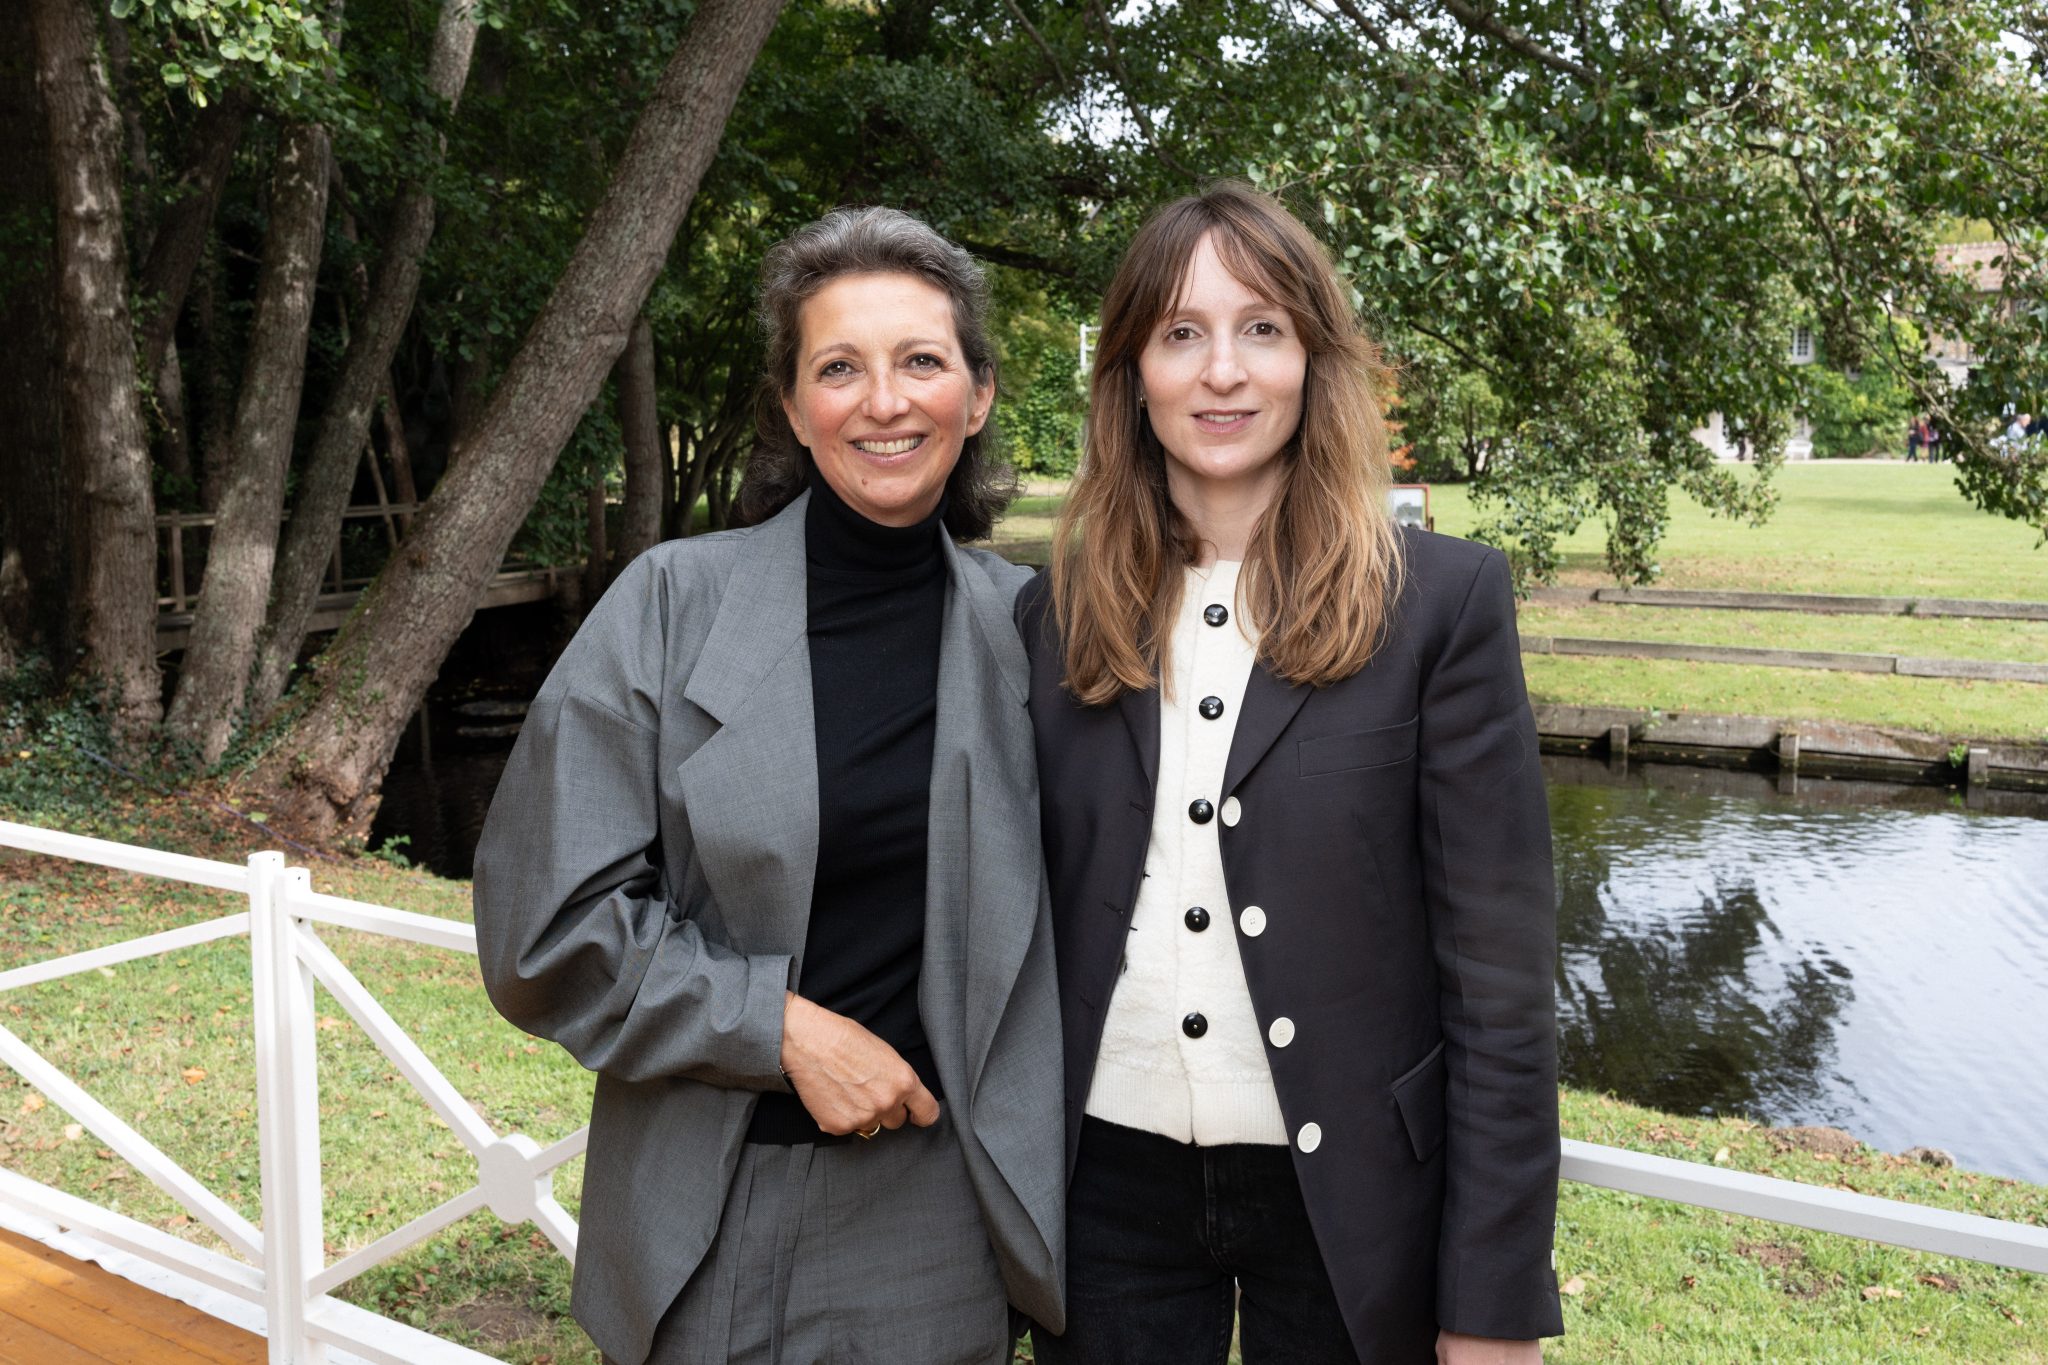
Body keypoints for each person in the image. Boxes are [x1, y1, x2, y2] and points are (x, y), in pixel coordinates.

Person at [473, 207, 1063, 1365]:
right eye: (838, 367)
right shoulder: (668, 606)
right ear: (793, 409)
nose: (883, 401)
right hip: (713, 1204)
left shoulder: (1033, 631)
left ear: (978, 395)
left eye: (921, 362)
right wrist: (778, 1029)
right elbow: (542, 928)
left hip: (942, 1221)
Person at [1021, 183, 1562, 1365]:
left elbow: (1502, 986)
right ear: (1129, 373)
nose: (1222, 371)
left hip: (1354, 1201)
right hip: (1101, 1191)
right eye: (1180, 333)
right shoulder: (1050, 615)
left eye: (1260, 328)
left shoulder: (1442, 605)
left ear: (1314, 361)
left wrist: (1493, 1304)